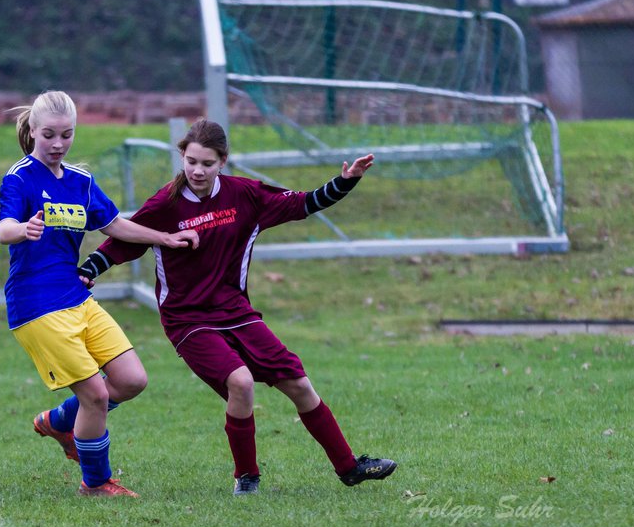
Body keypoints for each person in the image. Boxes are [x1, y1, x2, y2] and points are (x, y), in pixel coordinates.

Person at [41, 117, 395, 495]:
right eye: (191, 161)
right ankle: (247, 478)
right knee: (240, 382)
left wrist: (346, 180)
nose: (197, 170)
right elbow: (125, 238)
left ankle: (349, 468)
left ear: (223, 161)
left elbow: (305, 204)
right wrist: (91, 269)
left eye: (207, 163)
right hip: (187, 320)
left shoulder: (245, 195)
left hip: (237, 313)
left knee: (299, 384)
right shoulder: (166, 204)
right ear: (182, 157)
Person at [0, 91, 199, 498]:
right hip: (36, 305)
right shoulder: (18, 178)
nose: (57, 144)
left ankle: (58, 422)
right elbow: (3, 228)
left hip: (76, 297)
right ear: (32, 131)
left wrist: (165, 238)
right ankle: (96, 483)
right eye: (49, 135)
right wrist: (23, 229)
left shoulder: (81, 182)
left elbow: (115, 225)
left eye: (66, 135)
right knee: (96, 395)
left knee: (131, 380)